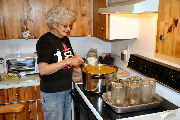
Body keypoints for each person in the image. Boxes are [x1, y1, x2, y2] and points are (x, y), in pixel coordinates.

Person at [36, 5, 84, 120]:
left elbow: (68, 62)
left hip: (66, 90)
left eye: (70, 26)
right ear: (54, 24)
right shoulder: (45, 41)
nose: (68, 29)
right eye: (65, 25)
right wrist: (67, 61)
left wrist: (75, 62)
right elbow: (43, 70)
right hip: (52, 94)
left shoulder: (65, 39)